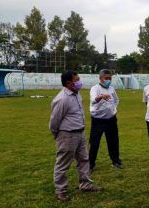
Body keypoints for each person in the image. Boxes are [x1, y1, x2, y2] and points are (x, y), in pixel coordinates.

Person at [49, 70, 102, 202]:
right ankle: (61, 190)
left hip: (80, 133)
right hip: (67, 135)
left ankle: (86, 185)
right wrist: (59, 135)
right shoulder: (62, 99)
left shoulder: (76, 94)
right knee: (63, 163)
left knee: (84, 159)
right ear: (69, 83)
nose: (79, 82)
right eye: (77, 80)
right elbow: (54, 122)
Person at [89, 69, 123, 172]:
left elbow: (116, 100)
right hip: (98, 120)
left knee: (113, 141)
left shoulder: (112, 88)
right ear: (100, 78)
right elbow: (93, 100)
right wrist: (101, 97)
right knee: (94, 142)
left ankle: (116, 161)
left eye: (110, 78)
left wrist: (113, 109)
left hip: (111, 120)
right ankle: (90, 164)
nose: (108, 80)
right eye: (106, 78)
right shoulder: (95, 88)